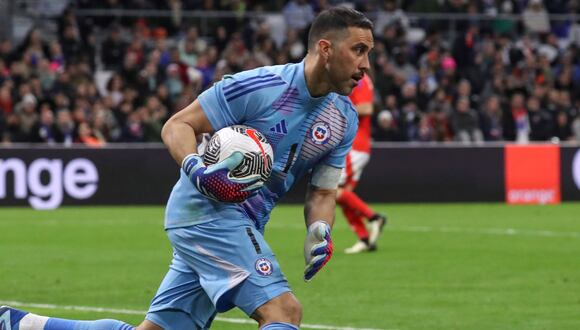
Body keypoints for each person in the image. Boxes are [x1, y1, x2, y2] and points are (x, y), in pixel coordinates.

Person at [1, 6, 374, 330]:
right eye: (359, 50)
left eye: (369, 53)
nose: (366, 65)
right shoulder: (261, 87)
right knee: (283, 311)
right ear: (325, 48)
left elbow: (324, 191)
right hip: (207, 213)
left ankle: (19, 323)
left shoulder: (343, 117)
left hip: (239, 223)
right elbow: (177, 126)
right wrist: (197, 167)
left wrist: (319, 228)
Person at [336, 74, 387, 254]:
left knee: (332, 190)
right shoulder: (351, 78)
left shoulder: (361, 79)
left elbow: (366, 107)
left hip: (354, 146)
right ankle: (364, 239)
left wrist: (335, 115)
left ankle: (374, 218)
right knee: (344, 196)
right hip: (355, 145)